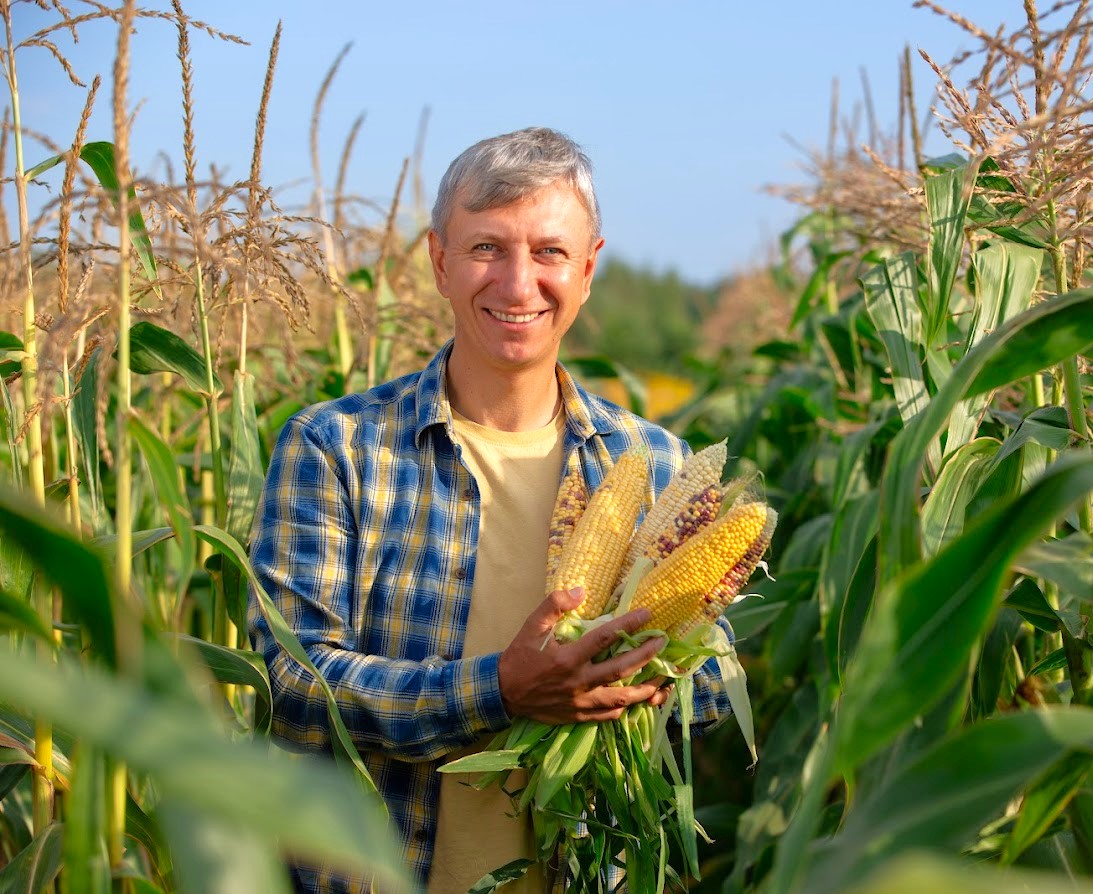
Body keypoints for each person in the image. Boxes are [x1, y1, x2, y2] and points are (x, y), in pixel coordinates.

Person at [247, 127, 733, 894]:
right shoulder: (334, 446)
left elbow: (705, 697)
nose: (517, 285)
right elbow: (292, 683)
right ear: (439, 261)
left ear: (588, 268)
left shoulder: (659, 466)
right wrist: (500, 690)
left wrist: (638, 679)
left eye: (547, 252)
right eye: (486, 250)